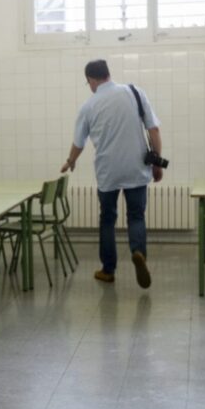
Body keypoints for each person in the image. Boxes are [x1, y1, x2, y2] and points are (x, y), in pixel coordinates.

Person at [61, 59, 163, 289]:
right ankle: (138, 252)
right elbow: (153, 129)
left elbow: (79, 142)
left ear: (91, 79)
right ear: (108, 74)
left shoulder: (88, 106)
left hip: (108, 171)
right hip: (136, 167)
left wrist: (70, 161)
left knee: (107, 219)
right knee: (136, 216)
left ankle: (108, 270)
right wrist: (157, 162)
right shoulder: (135, 92)